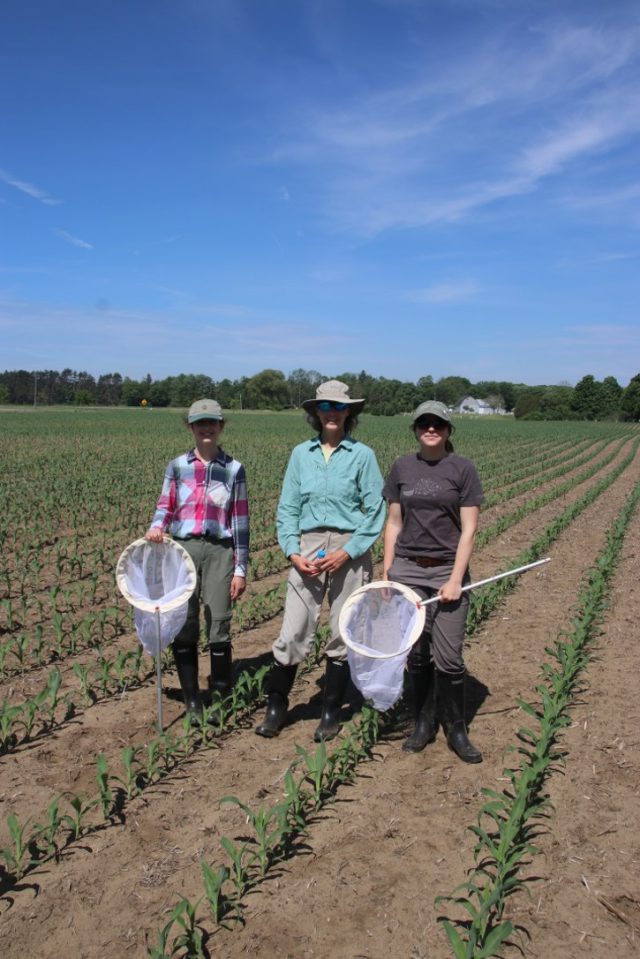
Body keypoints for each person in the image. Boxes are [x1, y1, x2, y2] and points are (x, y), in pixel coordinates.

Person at [255, 380, 385, 741]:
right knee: (294, 628)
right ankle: (277, 708)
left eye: (338, 408)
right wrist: (293, 552)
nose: (331, 413)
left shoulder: (363, 456)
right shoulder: (301, 454)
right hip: (308, 546)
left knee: (343, 628)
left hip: (350, 547)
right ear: (315, 413)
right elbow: (288, 508)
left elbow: (375, 511)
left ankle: (330, 712)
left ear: (349, 413)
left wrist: (348, 550)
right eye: (325, 407)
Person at [383, 400, 484, 763]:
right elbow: (394, 523)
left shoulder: (462, 469)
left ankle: (456, 727)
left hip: (445, 570)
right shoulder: (401, 467)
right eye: (424, 423)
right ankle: (423, 722)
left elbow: (469, 529)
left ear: (447, 430)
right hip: (407, 569)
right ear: (415, 428)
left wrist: (456, 579)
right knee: (417, 654)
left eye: (438, 424)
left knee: (449, 657)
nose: (431, 428)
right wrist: (387, 574)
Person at [146, 398, 249, 720]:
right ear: (190, 427)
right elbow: (166, 505)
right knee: (185, 624)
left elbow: (240, 521)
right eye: (199, 423)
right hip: (183, 549)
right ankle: (193, 701)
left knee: (219, 622)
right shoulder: (177, 466)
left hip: (220, 550)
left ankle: (219, 700)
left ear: (221, 427)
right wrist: (156, 528)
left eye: (212, 422)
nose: (206, 428)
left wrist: (240, 568)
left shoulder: (233, 469)